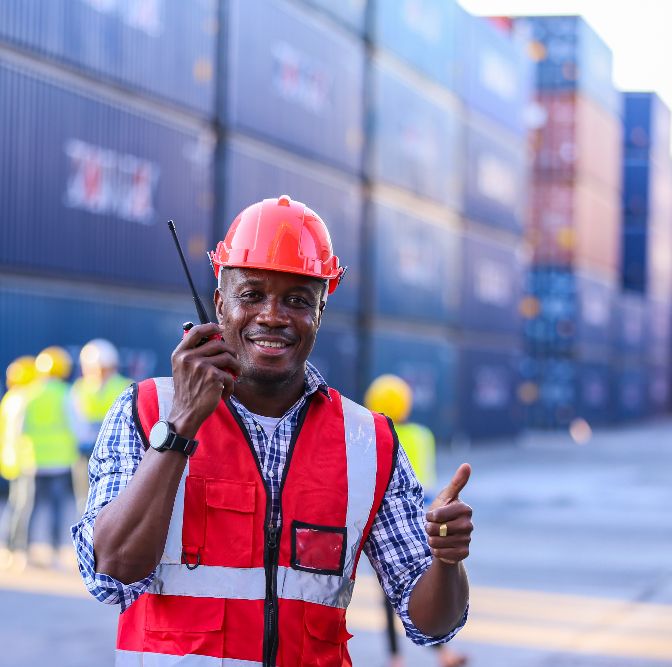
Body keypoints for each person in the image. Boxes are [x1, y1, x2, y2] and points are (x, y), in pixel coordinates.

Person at [72, 195, 474, 664]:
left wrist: (447, 562)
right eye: (252, 294)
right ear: (220, 304)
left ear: (321, 311)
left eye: (298, 300)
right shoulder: (145, 411)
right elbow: (111, 578)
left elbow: (431, 624)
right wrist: (180, 424)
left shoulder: (370, 441)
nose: (273, 315)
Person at [366, 375, 469, 667]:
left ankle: (396, 658)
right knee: (423, 589)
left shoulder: (368, 436)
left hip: (376, 529)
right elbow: (428, 485)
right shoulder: (422, 436)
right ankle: (443, 652)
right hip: (423, 523)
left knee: (389, 596)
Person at [23, 346, 78, 568]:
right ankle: (54, 553)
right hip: (60, 462)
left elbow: (21, 428)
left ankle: (24, 553)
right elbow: (77, 426)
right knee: (57, 509)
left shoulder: (29, 393)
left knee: (30, 509)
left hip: (34, 461)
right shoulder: (66, 394)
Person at [69, 339, 132, 514]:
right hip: (85, 452)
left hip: (114, 453)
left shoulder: (124, 385)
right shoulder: (81, 387)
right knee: (84, 502)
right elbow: (75, 421)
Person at [0, 355, 37, 571]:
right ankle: (19, 550)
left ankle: (6, 547)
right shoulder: (26, 398)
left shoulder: (9, 398)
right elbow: (25, 432)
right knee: (23, 507)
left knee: (14, 505)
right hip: (25, 461)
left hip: (10, 459)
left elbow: (1, 432)